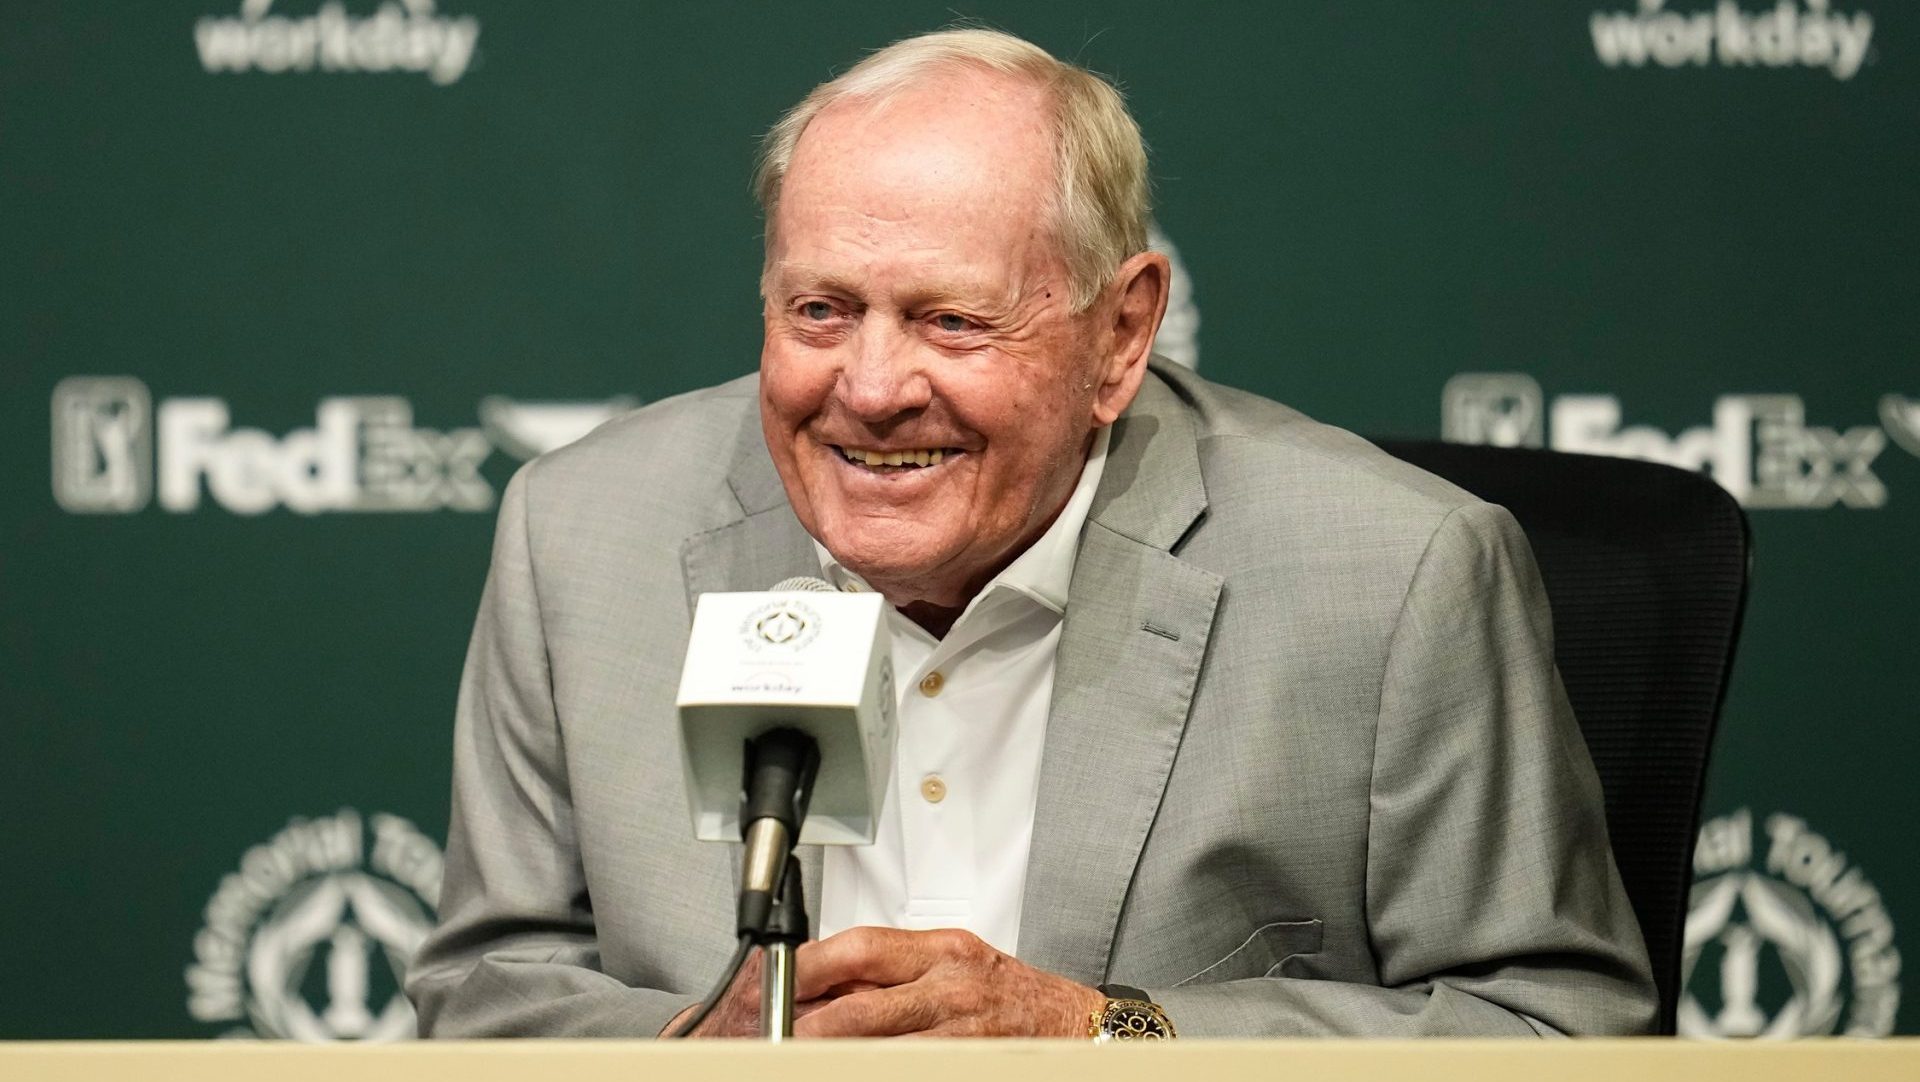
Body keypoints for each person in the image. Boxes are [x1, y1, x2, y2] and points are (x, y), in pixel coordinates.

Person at [405, 28, 1657, 1039]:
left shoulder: (1395, 576)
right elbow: (486, 985)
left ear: (1121, 335)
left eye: (951, 320)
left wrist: (1097, 1035)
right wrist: (697, 1051)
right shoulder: (581, 532)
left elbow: (1552, 1026)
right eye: (821, 309)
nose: (874, 386)